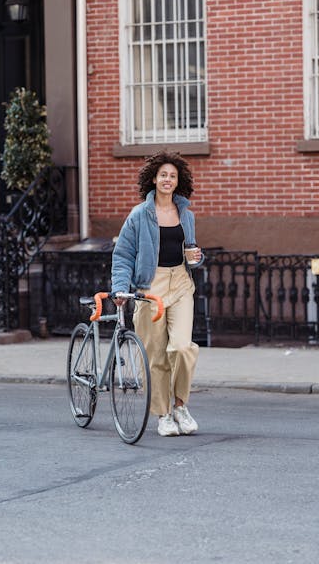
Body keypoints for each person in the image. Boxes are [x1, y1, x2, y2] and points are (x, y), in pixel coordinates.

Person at [111, 151, 203, 437]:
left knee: (182, 348)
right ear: (154, 179)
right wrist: (121, 288)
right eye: (163, 174)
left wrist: (197, 257)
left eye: (173, 176)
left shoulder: (185, 215)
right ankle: (163, 414)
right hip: (151, 287)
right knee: (156, 357)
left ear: (178, 182)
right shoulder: (139, 215)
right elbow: (123, 254)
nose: (168, 179)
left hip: (181, 283)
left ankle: (180, 406)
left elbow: (190, 251)